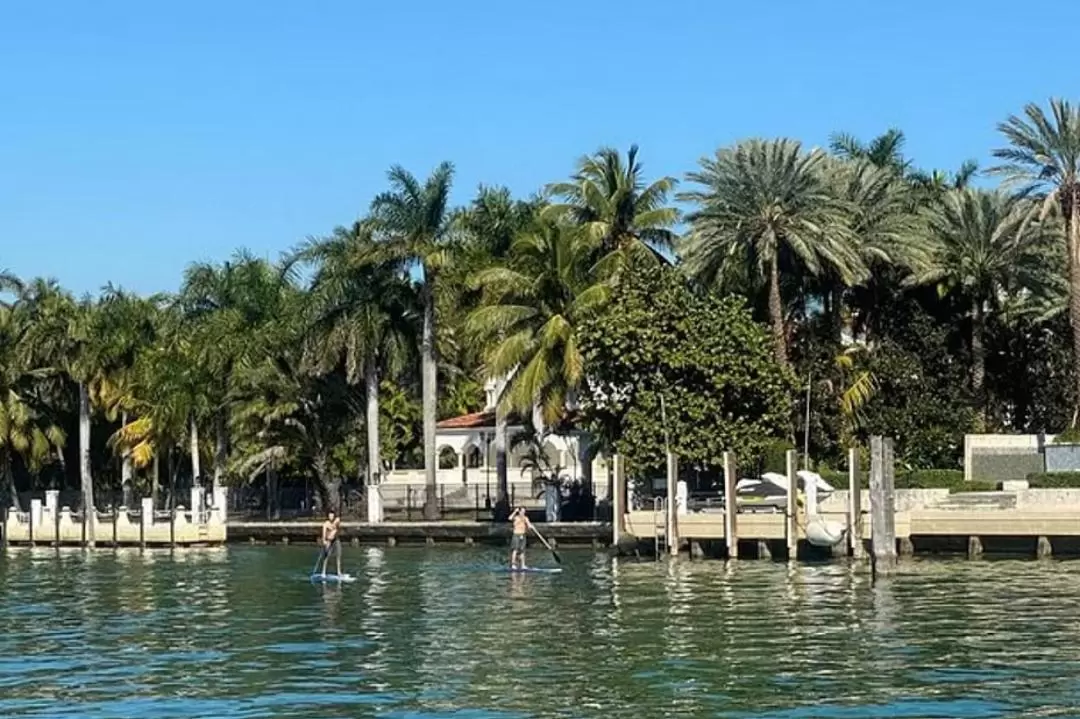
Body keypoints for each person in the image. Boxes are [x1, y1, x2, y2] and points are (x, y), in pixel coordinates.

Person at [318, 509, 342, 578]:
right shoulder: (325, 524)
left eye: (332, 515)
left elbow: (337, 524)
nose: (331, 517)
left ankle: (339, 572)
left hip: (336, 540)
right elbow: (323, 534)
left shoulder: (336, 520)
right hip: (328, 540)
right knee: (326, 556)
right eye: (330, 516)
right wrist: (324, 541)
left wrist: (335, 524)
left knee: (338, 555)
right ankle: (323, 572)